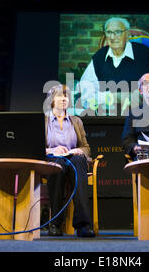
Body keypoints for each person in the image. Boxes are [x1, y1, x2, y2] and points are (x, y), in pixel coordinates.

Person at [79, 17, 149, 110]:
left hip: (142, 114)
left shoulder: (145, 54)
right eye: (109, 32)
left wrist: (148, 91)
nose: (113, 37)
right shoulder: (99, 57)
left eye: (118, 32)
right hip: (108, 116)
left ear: (127, 35)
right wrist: (115, 96)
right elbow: (84, 92)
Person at [44, 84, 95, 238]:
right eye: (60, 95)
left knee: (79, 160)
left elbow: (86, 147)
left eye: (66, 96)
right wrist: (52, 150)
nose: (64, 99)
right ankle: (55, 223)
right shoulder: (44, 120)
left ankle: (83, 225)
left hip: (73, 159)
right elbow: (35, 148)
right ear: (52, 99)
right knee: (57, 164)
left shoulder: (76, 121)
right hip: (53, 158)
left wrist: (78, 151)